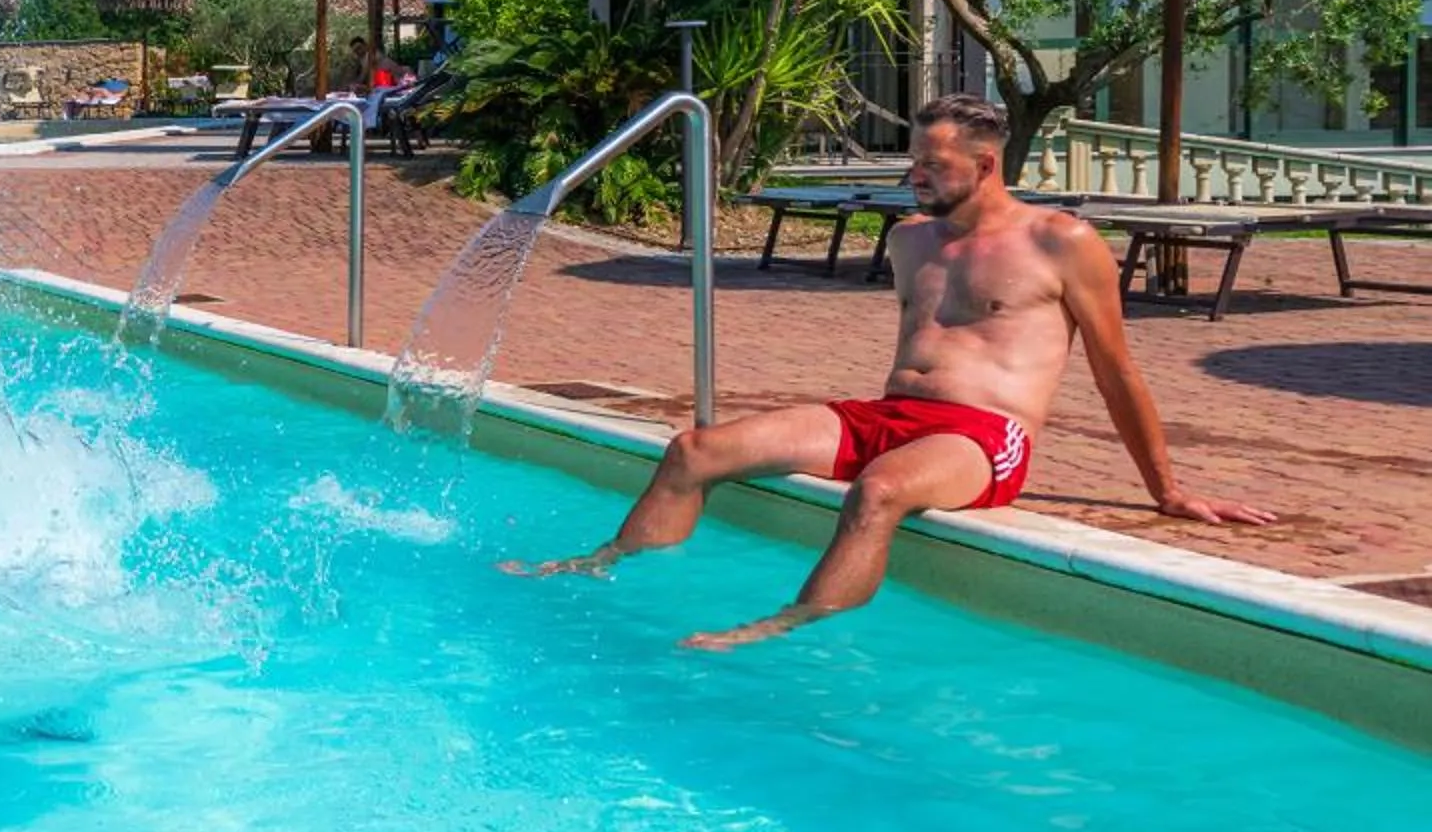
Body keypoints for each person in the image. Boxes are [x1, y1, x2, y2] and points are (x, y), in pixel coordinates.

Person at [505, 94, 1270, 650]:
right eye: (915, 160)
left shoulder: (1059, 241)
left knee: (880, 492)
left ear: (986, 164)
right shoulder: (910, 240)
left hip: (983, 436)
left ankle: (790, 623)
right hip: (887, 414)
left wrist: (1166, 491)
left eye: (933, 165)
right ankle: (605, 564)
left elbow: (1117, 373)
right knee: (693, 450)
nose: (916, 175)